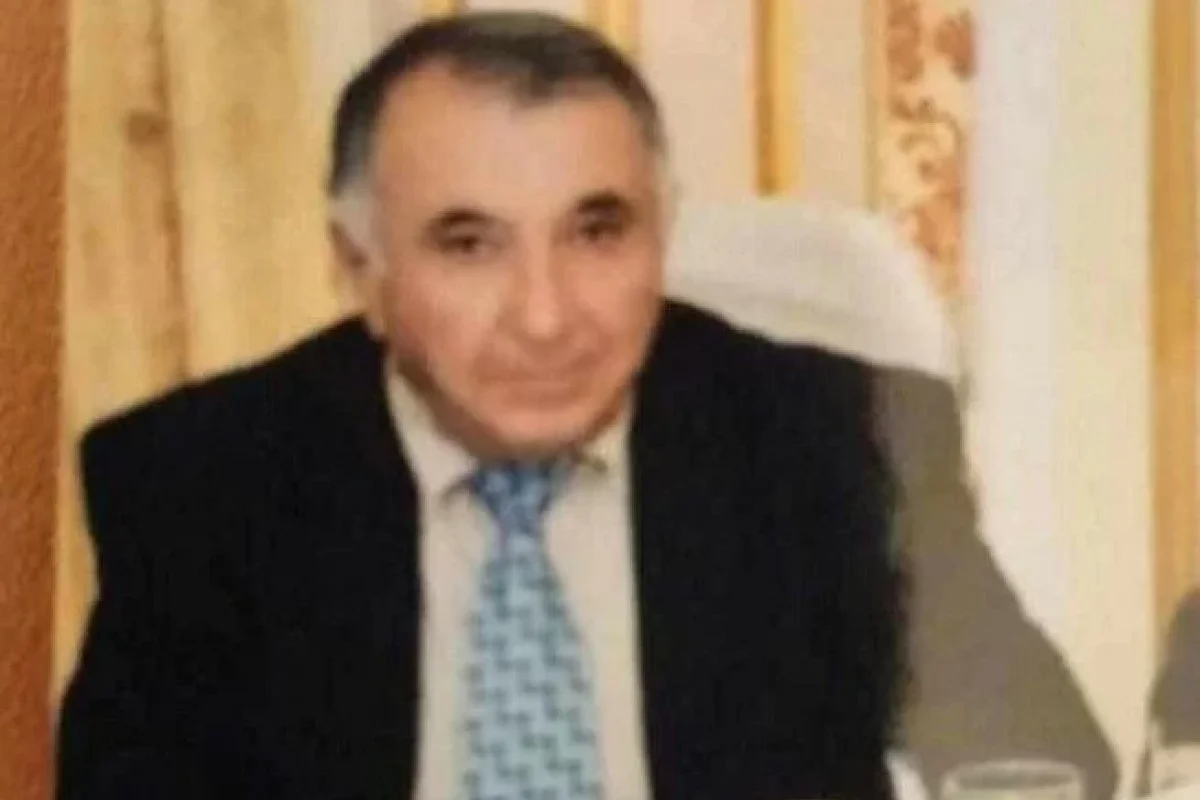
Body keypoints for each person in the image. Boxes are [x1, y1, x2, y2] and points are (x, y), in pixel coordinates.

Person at [56, 11, 1113, 800]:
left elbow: (1035, 757)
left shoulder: (834, 440)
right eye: (469, 244)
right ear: (361, 267)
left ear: (662, 231)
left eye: (597, 232)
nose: (546, 315)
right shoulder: (205, 482)